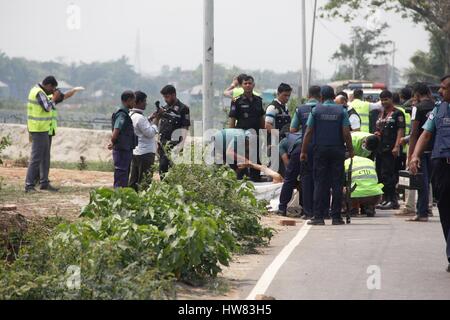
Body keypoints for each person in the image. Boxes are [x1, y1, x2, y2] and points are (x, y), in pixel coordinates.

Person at [410, 74, 450, 272]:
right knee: (444, 209)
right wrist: (415, 155)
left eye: (444, 88)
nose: (440, 91)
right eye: (440, 88)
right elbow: (425, 134)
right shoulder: (438, 109)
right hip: (441, 165)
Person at [300, 85, 354, 225]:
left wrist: (304, 151)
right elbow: (346, 133)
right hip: (337, 150)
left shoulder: (315, 110)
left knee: (320, 182)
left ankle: (318, 216)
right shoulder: (342, 111)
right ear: (334, 96)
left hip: (320, 150)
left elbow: (308, 132)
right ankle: (336, 217)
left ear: (321, 97)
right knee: (337, 183)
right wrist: (351, 150)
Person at [24, 76, 82, 192]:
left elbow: (62, 97)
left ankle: (44, 183)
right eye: (53, 88)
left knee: (45, 157)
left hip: (44, 129)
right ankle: (29, 184)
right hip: (38, 129)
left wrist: (72, 91)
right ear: (48, 85)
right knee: (36, 158)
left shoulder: (43, 93)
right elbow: (47, 108)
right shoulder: (39, 92)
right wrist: (54, 99)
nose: (53, 91)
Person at [406, 83, 435, 222]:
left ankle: (422, 213)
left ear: (417, 94)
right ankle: (426, 210)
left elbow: (414, 133)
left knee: (421, 182)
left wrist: (411, 155)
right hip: (437, 149)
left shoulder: (417, 108)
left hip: (421, 150)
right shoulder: (437, 106)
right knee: (433, 181)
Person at [290, 85, 321, 218]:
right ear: (320, 96)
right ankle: (322, 211)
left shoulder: (300, 109)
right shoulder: (323, 109)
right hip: (321, 147)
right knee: (321, 179)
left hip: (306, 147)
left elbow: (292, 129)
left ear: (308, 95)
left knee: (306, 179)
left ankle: (308, 211)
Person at [229, 75, 265, 181]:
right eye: (245, 83)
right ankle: (240, 179)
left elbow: (261, 118)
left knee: (256, 158)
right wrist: (231, 134)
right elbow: (232, 120)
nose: (248, 85)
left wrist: (263, 134)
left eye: (250, 83)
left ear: (253, 85)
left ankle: (256, 179)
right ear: (242, 85)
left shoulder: (258, 100)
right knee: (241, 160)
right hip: (242, 135)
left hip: (255, 135)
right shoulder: (237, 101)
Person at [374, 90, 405, 210]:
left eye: (386, 99)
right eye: (382, 100)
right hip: (380, 148)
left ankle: (393, 200)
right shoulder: (381, 113)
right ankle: (385, 198)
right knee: (381, 175)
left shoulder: (398, 113)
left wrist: (397, 146)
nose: (383, 102)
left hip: (391, 148)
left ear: (391, 99)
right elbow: (378, 128)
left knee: (389, 175)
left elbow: (400, 130)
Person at [156, 85, 190, 176]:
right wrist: (158, 142)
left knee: (174, 171)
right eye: (164, 97)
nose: (165, 99)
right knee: (162, 170)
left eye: (167, 97)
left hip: (175, 145)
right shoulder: (164, 108)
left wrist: (181, 144)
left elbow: (185, 127)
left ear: (174, 95)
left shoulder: (183, 108)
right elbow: (161, 126)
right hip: (163, 145)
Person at [128, 91, 158, 191]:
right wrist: (156, 121)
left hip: (136, 152)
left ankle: (131, 201)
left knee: (134, 180)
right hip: (146, 153)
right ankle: (143, 203)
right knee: (145, 181)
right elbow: (150, 133)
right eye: (144, 101)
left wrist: (150, 118)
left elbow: (141, 127)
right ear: (138, 102)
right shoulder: (140, 118)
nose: (146, 103)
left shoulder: (131, 115)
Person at [109, 91, 137, 188]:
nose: (134, 103)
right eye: (134, 101)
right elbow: (117, 129)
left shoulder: (125, 113)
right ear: (128, 100)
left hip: (125, 149)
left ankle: (122, 198)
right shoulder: (122, 114)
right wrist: (112, 142)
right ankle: (118, 198)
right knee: (121, 176)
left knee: (124, 176)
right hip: (122, 151)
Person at [265, 83, 293, 176]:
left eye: (288, 95)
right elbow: (267, 125)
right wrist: (279, 137)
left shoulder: (285, 108)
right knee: (275, 167)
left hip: (284, 142)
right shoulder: (272, 108)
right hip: (274, 141)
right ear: (278, 93)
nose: (287, 98)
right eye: (285, 95)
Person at [277, 131, 303, 216]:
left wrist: (293, 178)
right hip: (310, 147)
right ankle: (307, 209)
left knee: (289, 180)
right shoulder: (300, 134)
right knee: (306, 180)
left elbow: (286, 162)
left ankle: (282, 208)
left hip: (298, 149)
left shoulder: (282, 143)